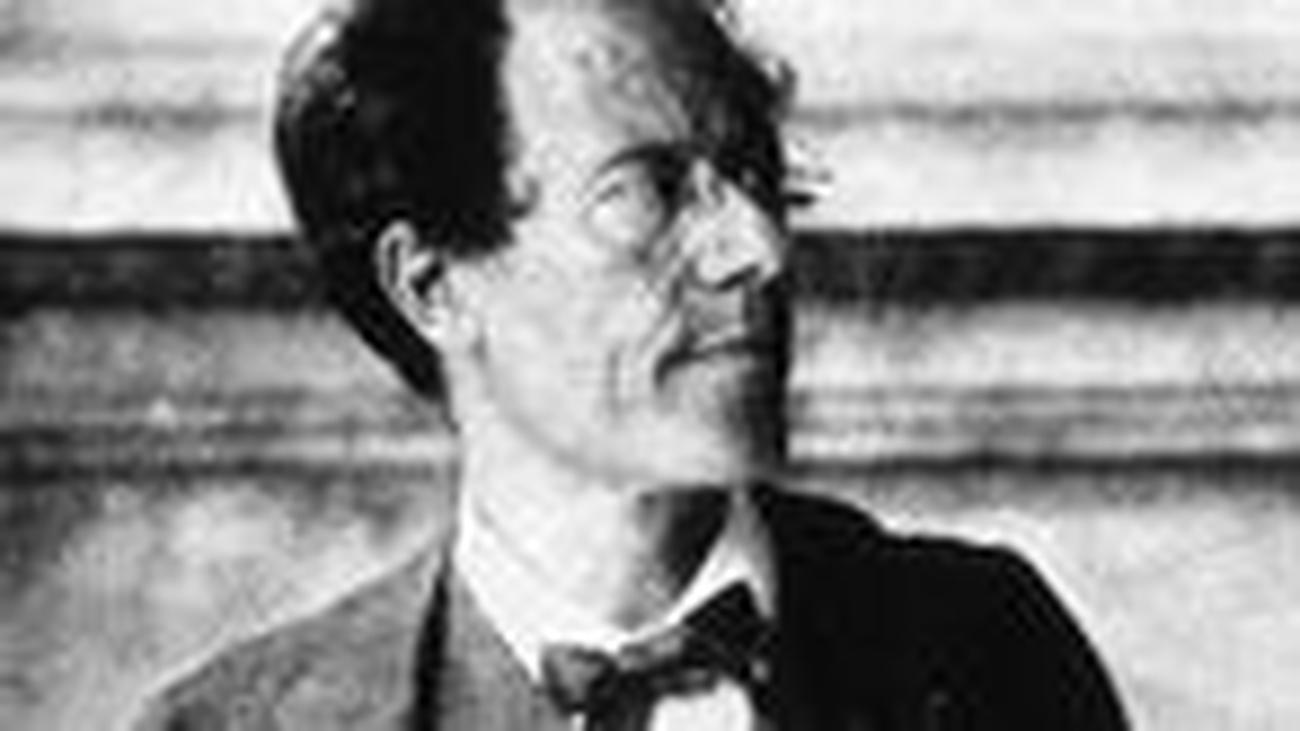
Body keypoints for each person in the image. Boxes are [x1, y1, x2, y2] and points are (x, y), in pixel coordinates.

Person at [132, 0, 1129, 728]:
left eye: (755, 176)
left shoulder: (985, 653)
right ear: (432, 285)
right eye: (644, 192)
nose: (756, 249)